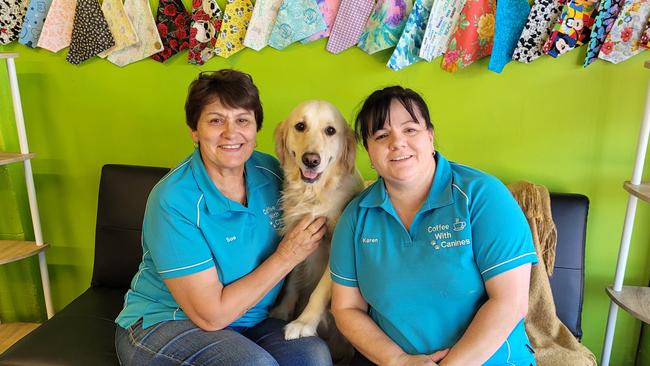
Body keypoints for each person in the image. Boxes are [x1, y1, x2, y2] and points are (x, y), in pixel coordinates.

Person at [115, 69, 333, 366]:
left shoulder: (270, 171)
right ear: (194, 130)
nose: (231, 133)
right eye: (216, 120)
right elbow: (211, 315)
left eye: (242, 120)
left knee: (313, 356)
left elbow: (329, 186)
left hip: (250, 320)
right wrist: (287, 255)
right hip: (167, 324)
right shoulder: (174, 200)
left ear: (256, 129)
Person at [330, 86, 538, 366]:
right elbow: (346, 307)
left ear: (430, 136)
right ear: (369, 152)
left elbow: (510, 302)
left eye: (410, 130)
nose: (397, 142)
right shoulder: (356, 217)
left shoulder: (482, 196)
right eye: (381, 135)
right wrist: (399, 361)